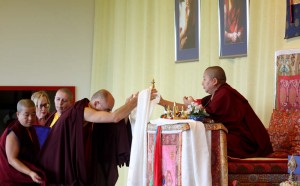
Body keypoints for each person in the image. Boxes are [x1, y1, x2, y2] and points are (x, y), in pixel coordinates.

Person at [39, 89, 151, 185]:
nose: (108, 112)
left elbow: (112, 127)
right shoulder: (82, 111)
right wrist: (135, 101)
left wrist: (128, 108)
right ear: (96, 103)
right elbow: (114, 117)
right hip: (57, 162)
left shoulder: (89, 112)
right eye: (107, 110)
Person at [158, 66, 273, 158]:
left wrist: (192, 105)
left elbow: (205, 114)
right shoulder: (215, 95)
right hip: (234, 136)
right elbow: (190, 109)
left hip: (247, 142)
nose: (202, 82)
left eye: (204, 79)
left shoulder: (225, 94)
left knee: (204, 141)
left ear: (214, 81)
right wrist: (162, 102)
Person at [0, 99, 46, 185]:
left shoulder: (30, 128)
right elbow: (11, 159)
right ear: (18, 114)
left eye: (33, 114)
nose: (30, 118)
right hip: (13, 178)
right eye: (26, 115)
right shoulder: (14, 131)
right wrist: (30, 173)